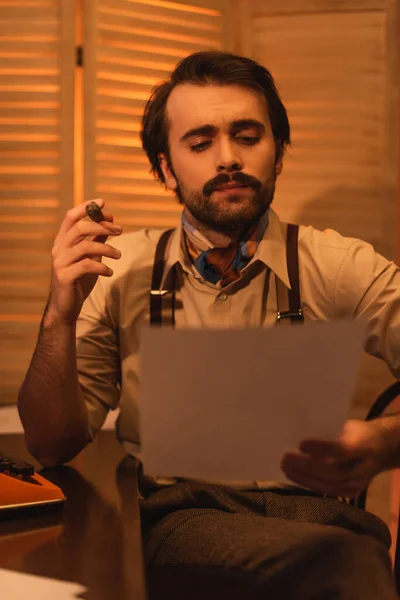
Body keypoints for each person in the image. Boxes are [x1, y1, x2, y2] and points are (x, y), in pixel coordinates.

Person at [18, 51, 400, 598]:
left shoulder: (339, 265)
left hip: (318, 517)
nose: (228, 158)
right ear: (166, 168)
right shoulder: (119, 270)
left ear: (279, 154)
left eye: (248, 136)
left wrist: (386, 442)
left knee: (346, 554)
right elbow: (52, 445)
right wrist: (60, 311)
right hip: (179, 520)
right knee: (348, 565)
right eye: (199, 143)